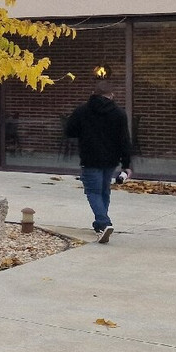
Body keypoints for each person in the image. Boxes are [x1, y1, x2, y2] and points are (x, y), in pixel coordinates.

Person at [64, 83, 132, 243]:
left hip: (90, 158)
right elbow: (124, 140)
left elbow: (69, 131)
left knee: (93, 192)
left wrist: (85, 133)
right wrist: (126, 164)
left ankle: (103, 223)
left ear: (93, 93)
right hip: (111, 159)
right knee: (103, 191)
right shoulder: (119, 113)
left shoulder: (82, 111)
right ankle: (100, 224)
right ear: (111, 95)